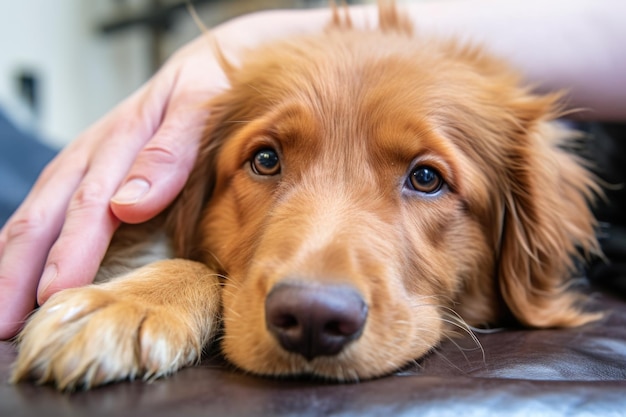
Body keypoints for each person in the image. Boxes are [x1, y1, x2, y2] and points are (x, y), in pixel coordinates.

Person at [0, 0, 624, 339]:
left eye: (427, 178)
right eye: (265, 159)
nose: (317, 293)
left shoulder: (527, 168)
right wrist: (178, 282)